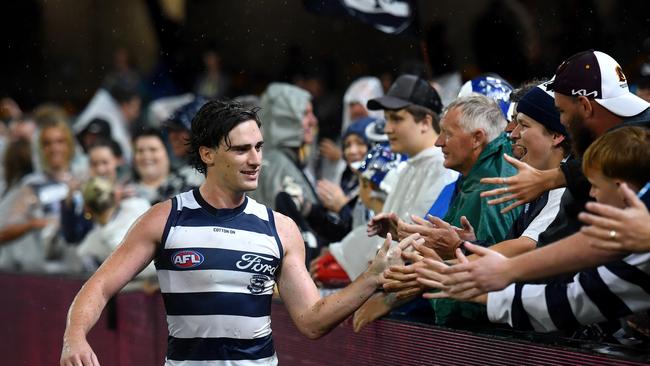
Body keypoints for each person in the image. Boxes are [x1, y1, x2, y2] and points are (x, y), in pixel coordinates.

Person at [60, 99, 412, 366]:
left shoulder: (280, 229)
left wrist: (371, 278)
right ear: (207, 154)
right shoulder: (164, 218)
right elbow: (101, 284)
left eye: (258, 147)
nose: (255, 159)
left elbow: (311, 321)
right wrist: (74, 336)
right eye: (241, 149)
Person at [439, 50, 650, 295]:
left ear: (584, 105)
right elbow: (562, 246)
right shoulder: (570, 176)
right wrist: (465, 257)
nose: (512, 133)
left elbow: (579, 261)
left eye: (561, 112)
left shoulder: (566, 178)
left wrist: (458, 270)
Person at [416, 126, 650, 333]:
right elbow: (594, 245)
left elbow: (571, 301)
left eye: (596, 186)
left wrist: (478, 282)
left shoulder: (639, 256)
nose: (591, 194)